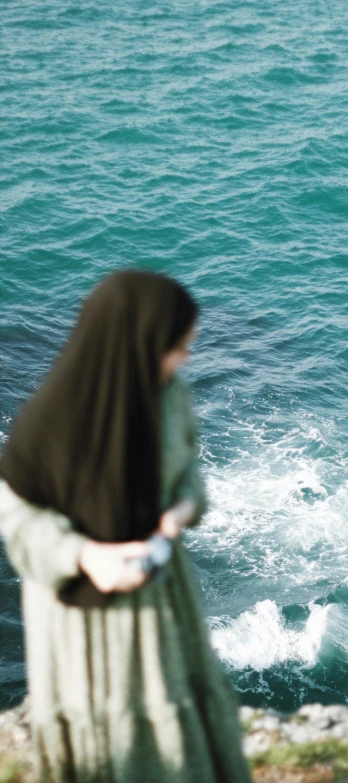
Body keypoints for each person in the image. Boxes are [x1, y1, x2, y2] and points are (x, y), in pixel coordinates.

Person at [0, 270, 251, 783]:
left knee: (178, 716)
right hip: (83, 612)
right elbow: (17, 517)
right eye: (175, 347)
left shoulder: (168, 396)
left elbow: (189, 478)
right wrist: (86, 556)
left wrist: (178, 515)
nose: (184, 358)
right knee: (107, 737)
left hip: (161, 588)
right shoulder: (50, 423)